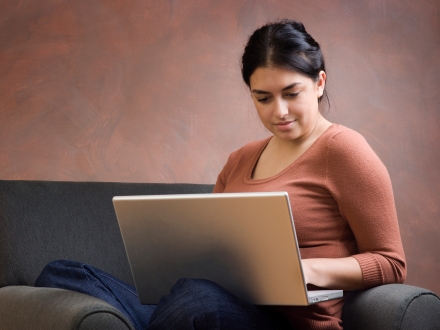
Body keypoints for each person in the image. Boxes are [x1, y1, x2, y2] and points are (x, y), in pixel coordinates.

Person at [36, 19, 406, 330]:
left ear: (320, 82)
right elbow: (210, 253)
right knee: (64, 274)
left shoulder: (343, 150)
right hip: (215, 304)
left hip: (287, 321)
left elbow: (391, 263)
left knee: (199, 298)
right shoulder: (240, 159)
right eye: (263, 98)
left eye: (292, 93)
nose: (279, 111)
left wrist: (306, 270)